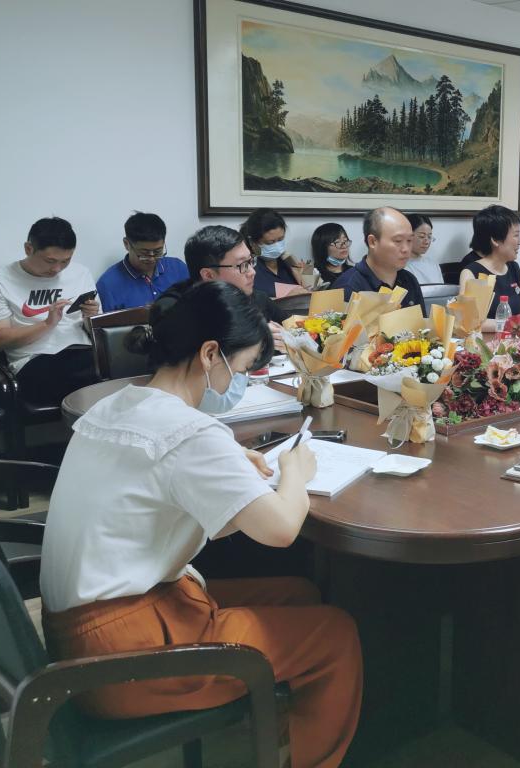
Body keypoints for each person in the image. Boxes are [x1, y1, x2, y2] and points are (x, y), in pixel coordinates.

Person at [39, 280, 362, 768]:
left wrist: (229, 463)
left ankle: (281, 728)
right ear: (211, 353)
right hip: (122, 657)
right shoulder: (189, 431)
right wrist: (295, 471)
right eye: (244, 369)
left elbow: (159, 487)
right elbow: (280, 530)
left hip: (85, 633)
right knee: (335, 634)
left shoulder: (119, 403)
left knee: (300, 593)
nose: (243, 382)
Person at [0, 217, 100, 405]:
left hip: (84, 356)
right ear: (29, 249)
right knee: (95, 374)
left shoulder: (81, 273)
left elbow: (96, 331)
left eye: (66, 261)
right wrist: (47, 324)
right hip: (35, 362)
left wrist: (91, 317)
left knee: (121, 360)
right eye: (50, 261)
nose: (57, 269)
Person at [184, 224, 288, 328]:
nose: (252, 272)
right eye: (242, 265)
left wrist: (286, 334)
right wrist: (260, 335)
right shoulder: (184, 316)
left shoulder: (257, 298)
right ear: (209, 275)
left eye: (250, 261)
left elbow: (292, 326)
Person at [458, 205, 520, 330]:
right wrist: (515, 323)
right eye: (516, 235)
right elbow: (468, 322)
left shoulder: (515, 269)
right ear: (495, 240)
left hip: (515, 341)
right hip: (484, 341)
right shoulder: (471, 273)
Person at [333, 207, 425, 309]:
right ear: (372, 242)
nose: (406, 249)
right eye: (398, 241)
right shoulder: (348, 287)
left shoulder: (409, 280)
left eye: (409, 240)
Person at [95, 212, 189, 311]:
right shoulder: (108, 285)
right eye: (144, 253)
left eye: (157, 251)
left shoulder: (179, 269)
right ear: (127, 244)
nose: (152, 258)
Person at [241, 208, 305, 296]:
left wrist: (306, 273)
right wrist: (285, 295)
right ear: (253, 243)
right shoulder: (246, 267)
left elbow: (317, 285)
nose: (277, 246)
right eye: (270, 242)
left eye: (281, 239)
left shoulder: (289, 258)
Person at [404, 213, 444, 285]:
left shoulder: (433, 264)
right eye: (422, 236)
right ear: (408, 236)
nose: (427, 242)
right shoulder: (401, 266)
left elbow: (441, 289)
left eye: (429, 237)